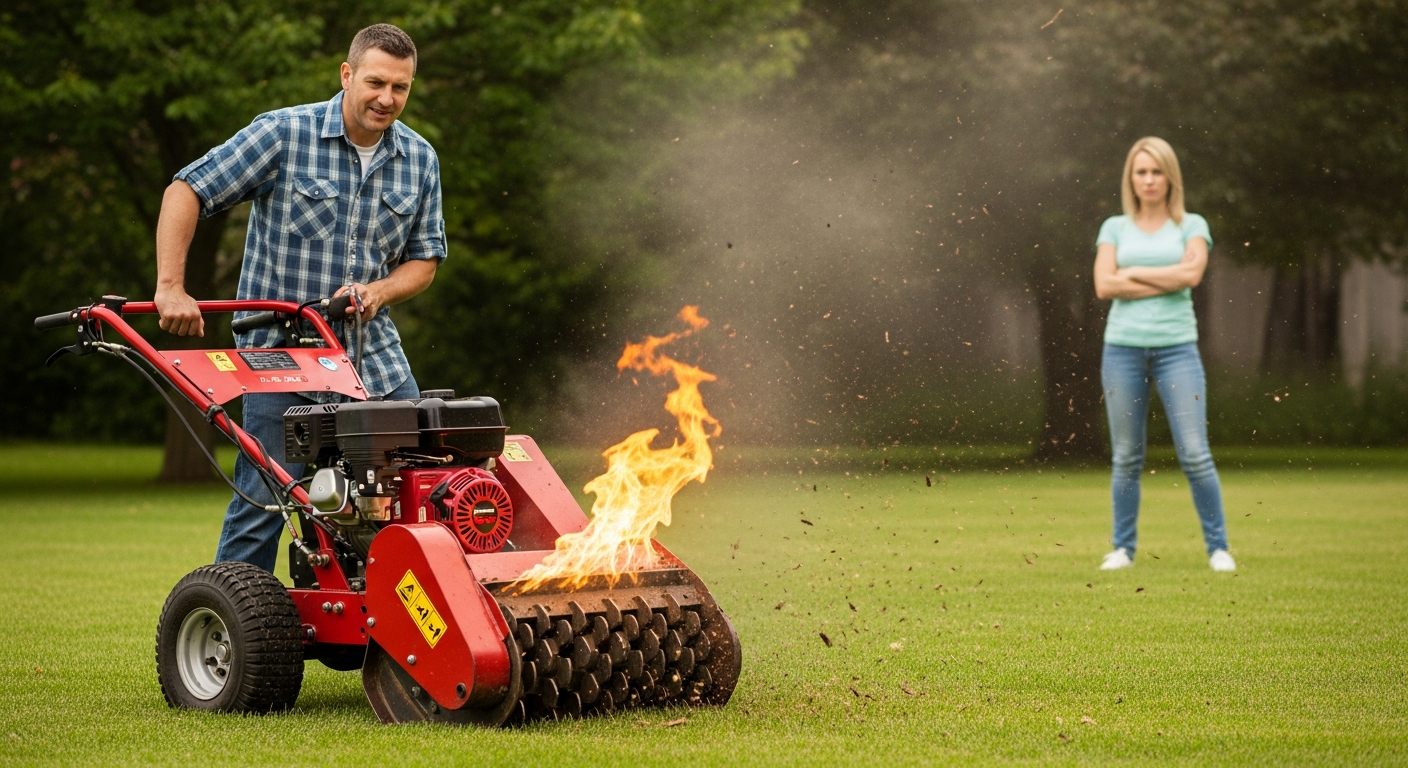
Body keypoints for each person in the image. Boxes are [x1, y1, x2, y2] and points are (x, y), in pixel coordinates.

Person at [153, 24, 445, 573]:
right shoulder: (284, 134)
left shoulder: (420, 158)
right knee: (264, 505)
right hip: (280, 362)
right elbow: (186, 189)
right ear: (347, 74)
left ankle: (406, 638)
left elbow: (425, 260)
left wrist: (379, 291)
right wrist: (171, 287)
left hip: (375, 363)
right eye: (376, 82)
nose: (387, 99)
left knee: (418, 499)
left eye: (401, 88)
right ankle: (234, 638)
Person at [1092, 136, 1234, 573]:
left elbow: (1192, 274)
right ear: (1130, 179)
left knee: (1195, 453)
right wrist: (1163, 277)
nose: (1149, 179)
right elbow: (1104, 285)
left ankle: (1218, 549)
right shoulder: (1114, 228)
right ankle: (1122, 549)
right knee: (1127, 456)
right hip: (1122, 350)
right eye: (1141, 172)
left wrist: (1130, 272)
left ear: (1170, 176)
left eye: (1156, 171)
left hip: (1177, 350)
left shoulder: (1192, 225)